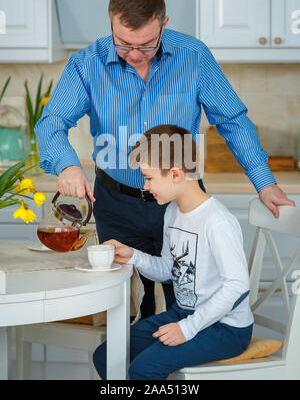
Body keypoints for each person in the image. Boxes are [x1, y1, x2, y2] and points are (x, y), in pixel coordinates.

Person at [34, 0, 294, 319]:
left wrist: (265, 182)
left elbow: (232, 120)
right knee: (122, 310)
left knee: (187, 302)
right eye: (124, 44)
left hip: (183, 200)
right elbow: (51, 121)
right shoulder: (87, 64)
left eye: (146, 44)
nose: (135, 54)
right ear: (111, 21)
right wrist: (67, 165)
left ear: (164, 23)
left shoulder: (194, 56)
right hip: (116, 202)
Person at [93, 125, 254, 380]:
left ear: (176, 174)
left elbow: (237, 285)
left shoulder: (217, 221)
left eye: (149, 178)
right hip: (184, 314)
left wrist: (187, 328)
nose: (145, 187)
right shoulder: (173, 212)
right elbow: (170, 270)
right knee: (106, 354)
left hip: (226, 328)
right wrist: (133, 255)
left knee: (144, 369)